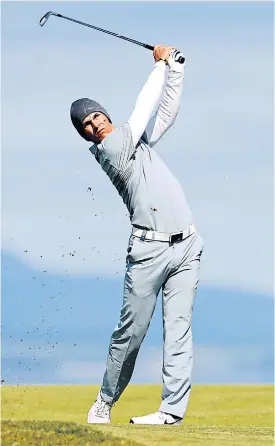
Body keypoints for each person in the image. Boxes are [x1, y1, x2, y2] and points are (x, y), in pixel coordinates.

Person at [70, 45, 204, 425]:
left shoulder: (134, 142)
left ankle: (171, 413)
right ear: (89, 137)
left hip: (188, 246)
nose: (95, 126)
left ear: (104, 114)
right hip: (148, 254)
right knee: (131, 335)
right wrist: (160, 64)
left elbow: (163, 114)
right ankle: (104, 403)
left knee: (178, 332)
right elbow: (144, 106)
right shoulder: (111, 149)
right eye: (88, 128)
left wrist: (174, 70)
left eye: (96, 118)